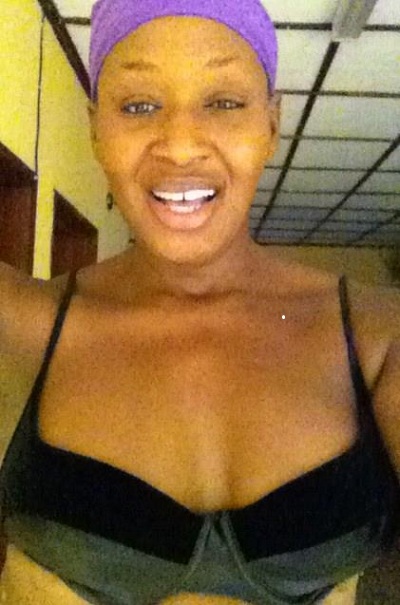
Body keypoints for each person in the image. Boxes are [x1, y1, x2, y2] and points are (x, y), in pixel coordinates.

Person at [0, 0, 399, 603]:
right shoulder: (20, 325)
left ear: (271, 124)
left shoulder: (379, 336)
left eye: (224, 102)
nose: (181, 145)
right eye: (139, 105)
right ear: (96, 129)